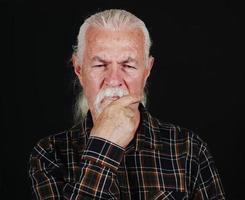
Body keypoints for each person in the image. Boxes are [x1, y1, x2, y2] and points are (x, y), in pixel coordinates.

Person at [29, 9, 225, 199]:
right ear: (79, 69)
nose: (114, 80)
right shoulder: (49, 154)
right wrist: (104, 145)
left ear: (147, 70)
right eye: (99, 65)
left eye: (128, 66)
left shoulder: (189, 149)